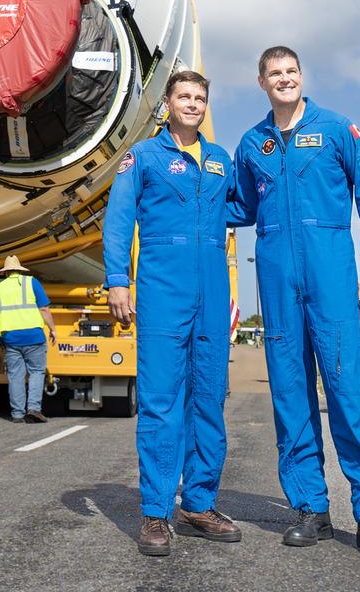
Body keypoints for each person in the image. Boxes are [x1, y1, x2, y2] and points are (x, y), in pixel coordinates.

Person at [229, 46, 360, 561]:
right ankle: (310, 508)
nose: (284, 79)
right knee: (290, 397)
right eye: (274, 73)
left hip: (331, 280)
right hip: (278, 284)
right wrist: (180, 197)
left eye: (291, 71)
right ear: (261, 82)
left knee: (347, 394)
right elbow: (237, 205)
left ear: (302, 77)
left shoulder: (336, 129)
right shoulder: (252, 143)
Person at [104, 70, 241, 557]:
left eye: (200, 97)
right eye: (184, 96)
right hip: (163, 289)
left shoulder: (221, 160)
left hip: (212, 290)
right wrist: (118, 280)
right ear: (168, 103)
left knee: (209, 398)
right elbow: (118, 220)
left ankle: (198, 503)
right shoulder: (142, 157)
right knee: (162, 402)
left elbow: (243, 206)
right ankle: (156, 512)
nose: (192, 104)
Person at [0, 255, 59, 424]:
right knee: (36, 372)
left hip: (11, 339)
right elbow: (44, 309)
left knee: (16, 376)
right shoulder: (31, 282)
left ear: (5, 273)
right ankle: (33, 409)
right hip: (34, 336)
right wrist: (53, 329)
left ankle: (17, 414)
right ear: (20, 270)